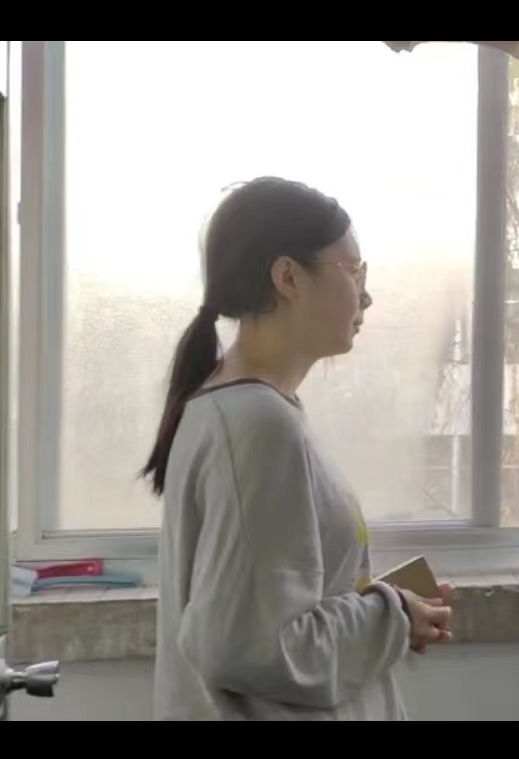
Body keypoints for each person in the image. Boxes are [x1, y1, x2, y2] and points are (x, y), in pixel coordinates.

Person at [143, 176, 453, 720]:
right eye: (354, 271)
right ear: (287, 277)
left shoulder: (247, 409)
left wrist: (385, 611)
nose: (366, 296)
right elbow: (252, 646)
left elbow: (262, 616)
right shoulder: (257, 423)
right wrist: (392, 613)